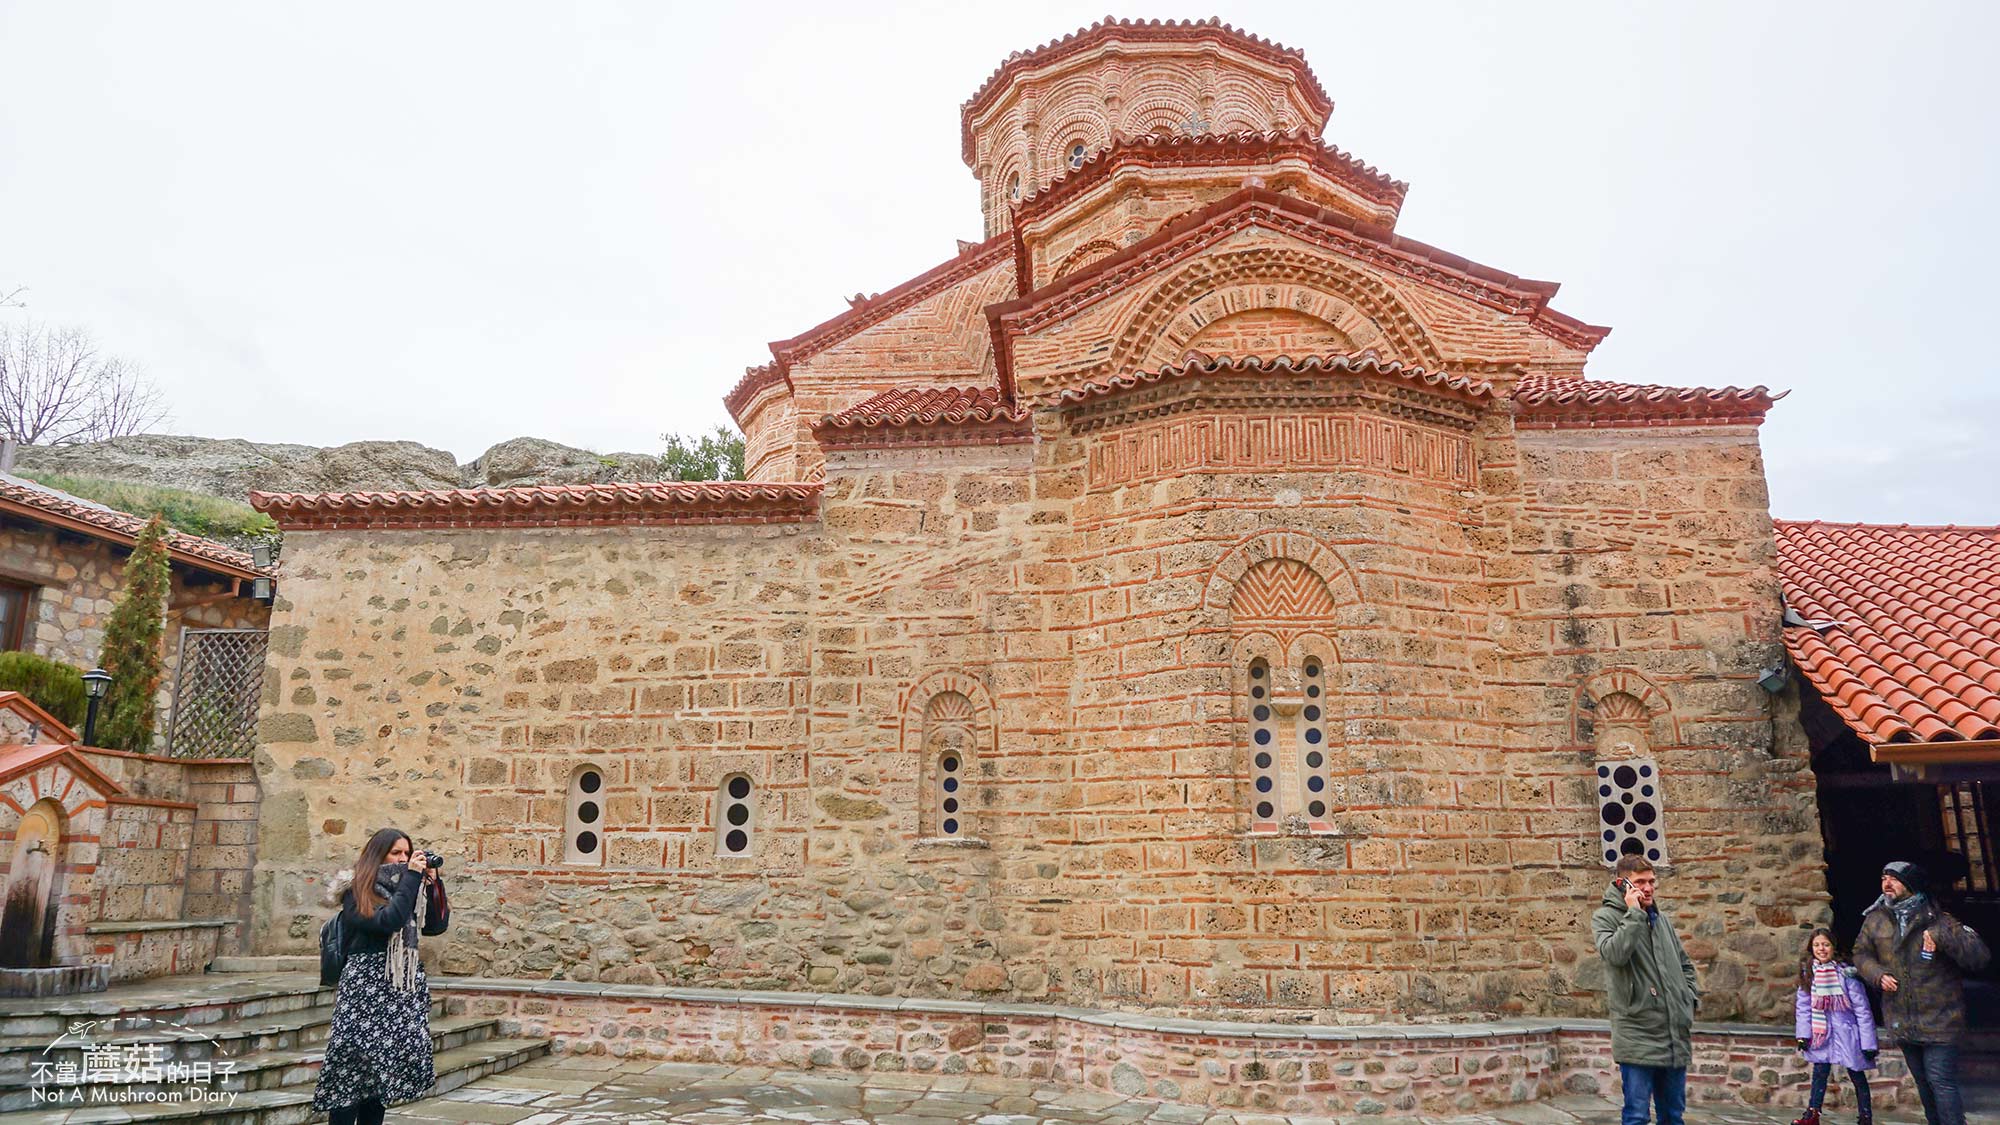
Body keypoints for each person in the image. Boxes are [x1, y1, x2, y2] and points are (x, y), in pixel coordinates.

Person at [311, 827, 451, 1125]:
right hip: (364, 987)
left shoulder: (407, 887)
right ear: (378, 855)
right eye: (396, 853)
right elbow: (389, 921)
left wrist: (434, 884)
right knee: (350, 1070)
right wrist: (412, 878)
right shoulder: (357, 889)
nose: (402, 859)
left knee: (381, 1074)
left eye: (406, 853)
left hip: (398, 987)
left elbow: (436, 926)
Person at [1853, 860, 1989, 1125]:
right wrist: (1877, 974)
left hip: (1939, 1017)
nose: (1887, 884)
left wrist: (1942, 937)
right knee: (1924, 1083)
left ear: (1912, 885)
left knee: (1941, 1081)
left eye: (1894, 878)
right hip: (1901, 1015)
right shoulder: (1876, 919)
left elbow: (1979, 957)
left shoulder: (1936, 918)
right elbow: (1861, 953)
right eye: (1884, 878)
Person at [1591, 854, 1699, 1125]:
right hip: (1637, 1033)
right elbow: (1614, 954)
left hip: (1674, 1032)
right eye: (1640, 882)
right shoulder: (1605, 918)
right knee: (1637, 1116)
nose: (1649, 888)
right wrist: (1635, 914)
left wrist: (1688, 999)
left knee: (1673, 1116)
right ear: (1622, 883)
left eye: (1652, 881)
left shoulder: (1661, 921)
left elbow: (1685, 965)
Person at [1791, 927, 1876, 1125]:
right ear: (1811, 948)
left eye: (1826, 944)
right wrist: (1803, 1035)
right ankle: (1812, 1114)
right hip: (1822, 1033)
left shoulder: (1846, 975)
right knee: (1819, 1073)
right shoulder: (1808, 975)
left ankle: (1865, 1116)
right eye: (1817, 945)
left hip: (1847, 1033)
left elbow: (1862, 1010)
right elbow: (1803, 1007)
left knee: (1856, 1074)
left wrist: (1868, 1043)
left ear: (1833, 947)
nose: (1822, 949)